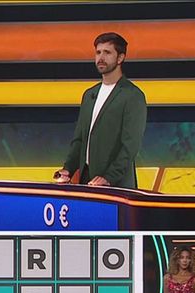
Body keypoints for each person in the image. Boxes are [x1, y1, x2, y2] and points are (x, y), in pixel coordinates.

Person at [54, 32, 146, 188]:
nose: (101, 58)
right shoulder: (89, 94)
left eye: (107, 52)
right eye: (98, 52)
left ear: (120, 58)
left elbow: (130, 146)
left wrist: (109, 178)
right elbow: (80, 139)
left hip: (117, 186)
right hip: (87, 181)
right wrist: (68, 169)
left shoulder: (132, 95)